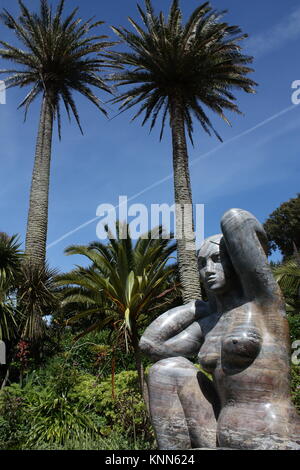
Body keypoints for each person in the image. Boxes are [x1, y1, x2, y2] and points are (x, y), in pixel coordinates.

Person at [139, 208, 300, 450]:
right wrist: (196, 307)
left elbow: (236, 220)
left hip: (271, 435)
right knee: (166, 369)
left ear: (234, 261)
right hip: (218, 432)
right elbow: (152, 345)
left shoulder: (264, 304)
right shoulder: (210, 322)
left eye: (217, 259)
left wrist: (259, 248)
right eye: (202, 264)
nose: (208, 270)